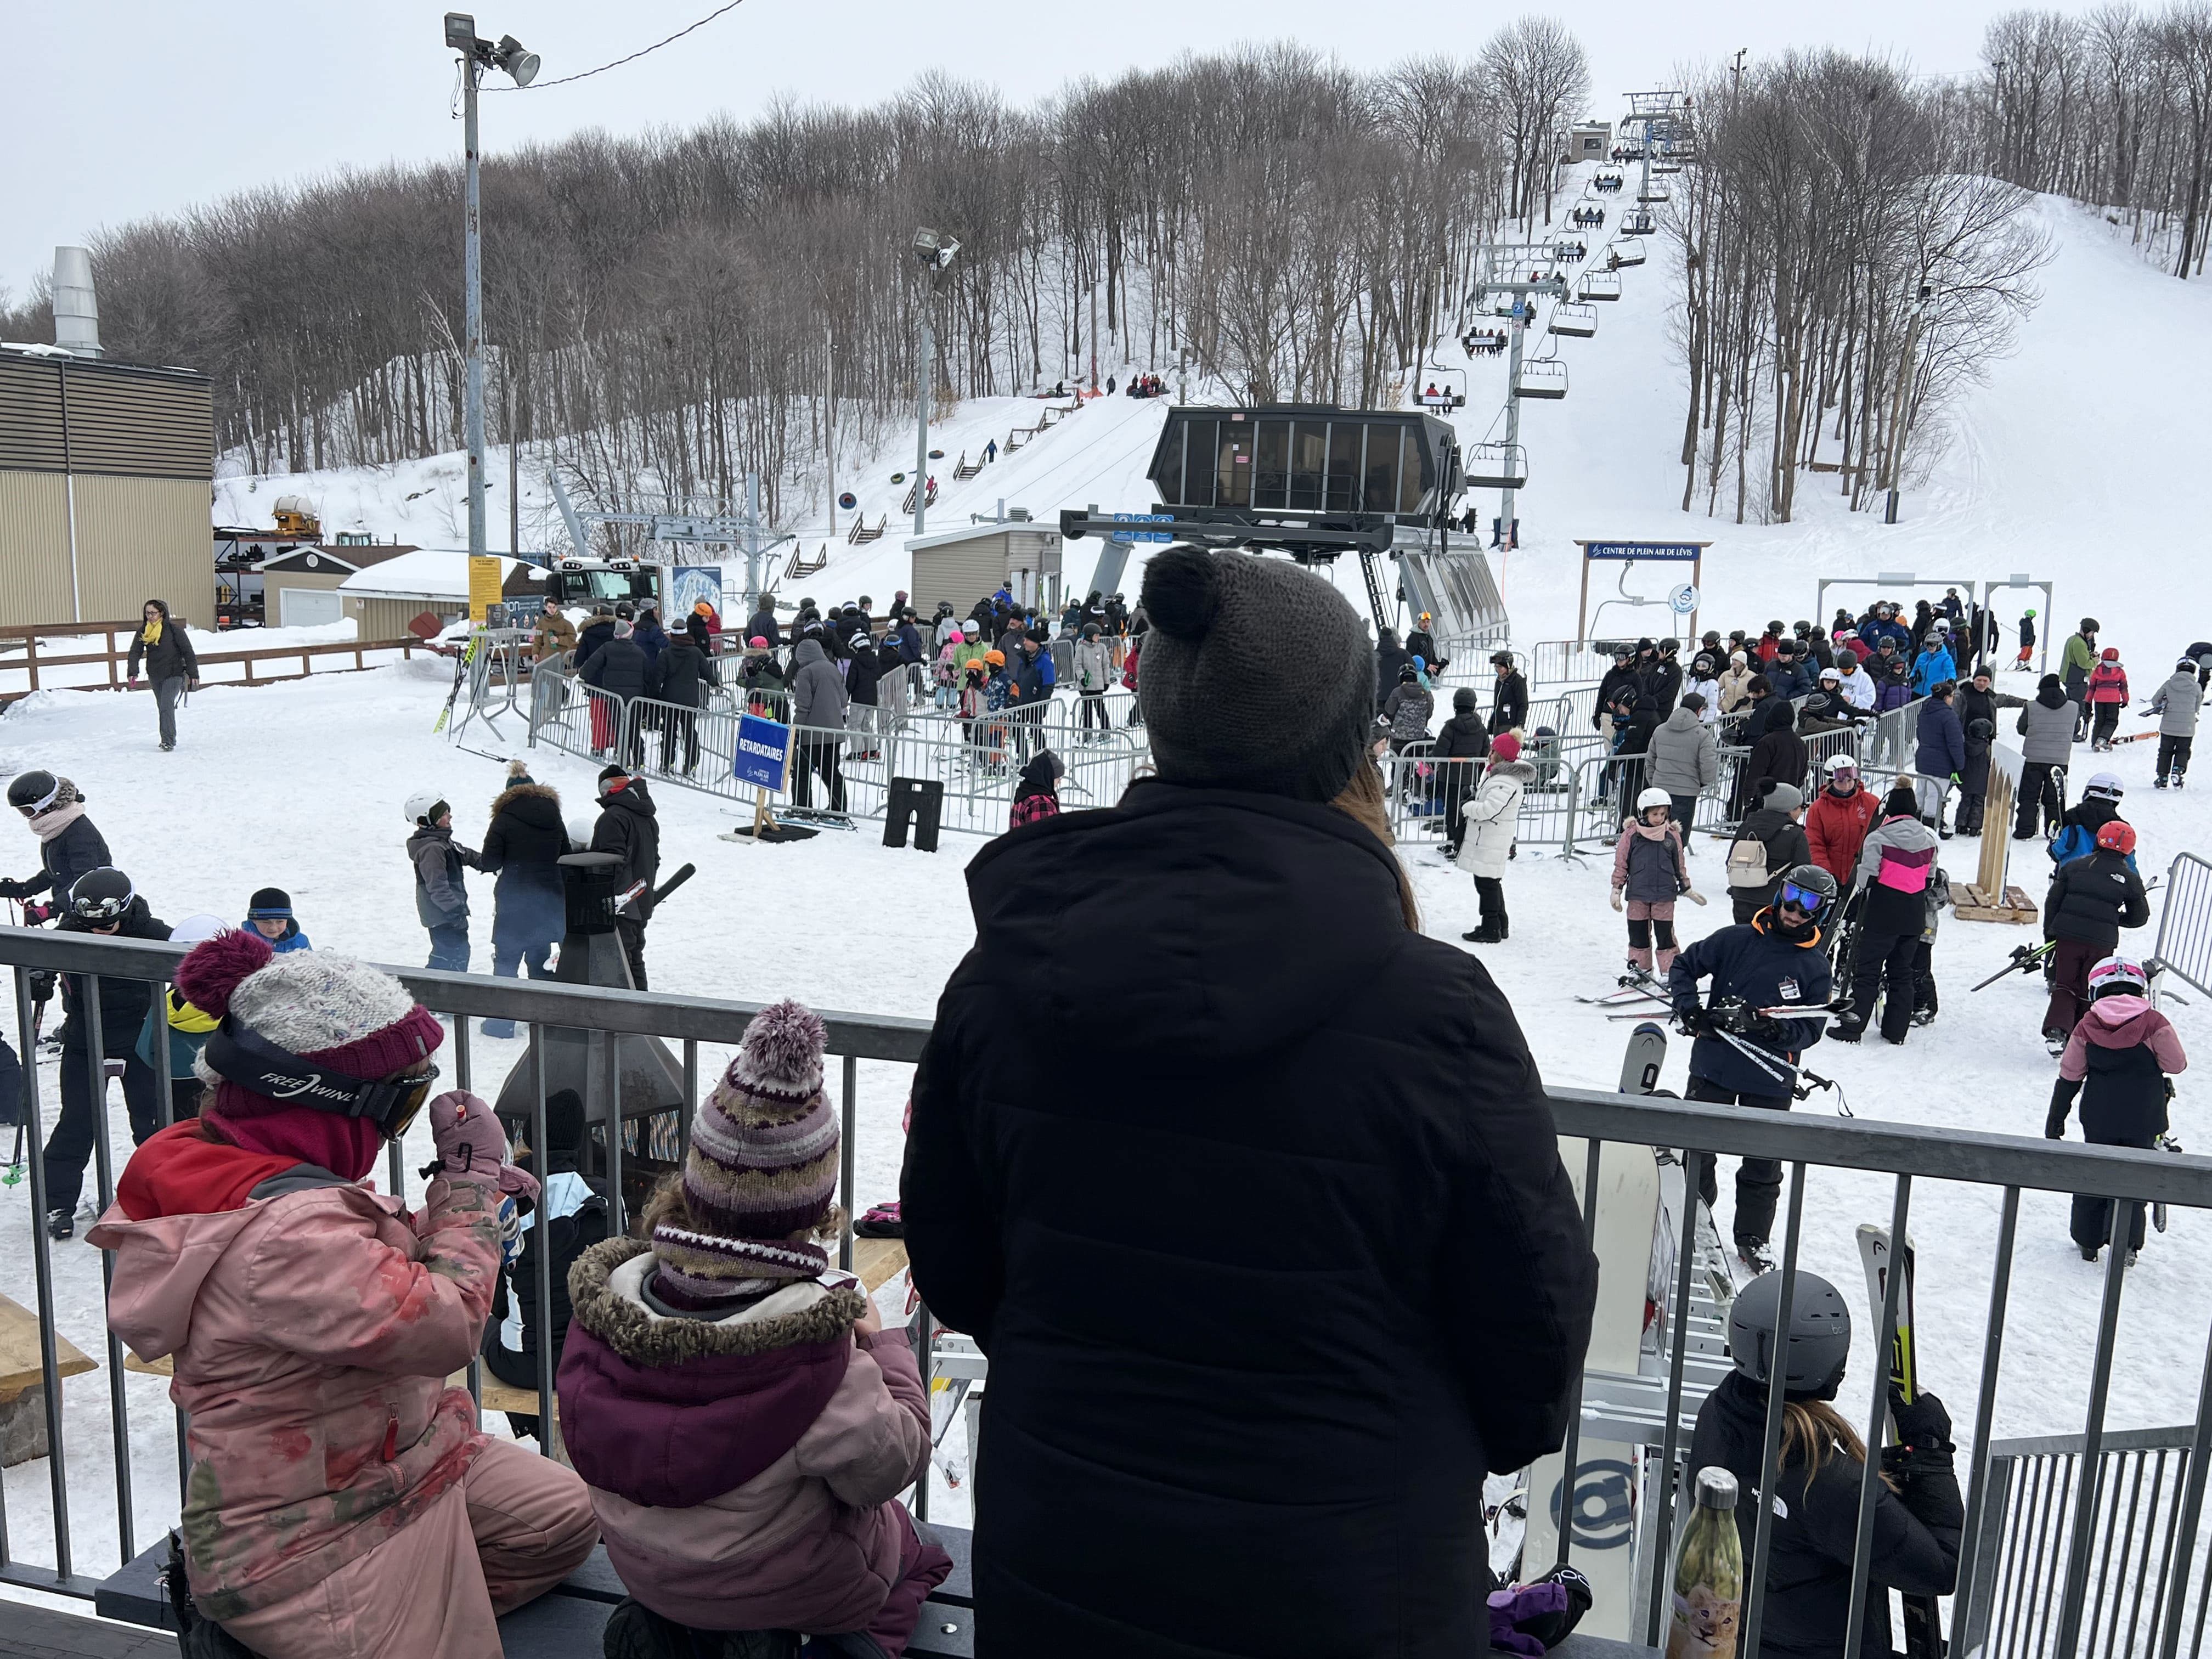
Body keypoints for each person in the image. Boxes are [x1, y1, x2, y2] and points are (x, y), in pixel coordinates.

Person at [901, 545, 1597, 1657]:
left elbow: (957, 1266)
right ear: (1347, 745)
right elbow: (1531, 1366)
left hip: (1068, 1572)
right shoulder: (1440, 1016)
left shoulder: (1009, 980)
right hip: (1352, 1591)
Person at [91, 932, 596, 1657]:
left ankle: (429, 1603)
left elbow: (349, 1276)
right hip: (304, 1535)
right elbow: (444, 1325)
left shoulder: (241, 1164)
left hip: (391, 1458)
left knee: (557, 1519)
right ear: (325, 1101)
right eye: (400, 1104)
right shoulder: (281, 1236)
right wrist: (468, 1196)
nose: (398, 1126)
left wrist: (439, 1220)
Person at [564, 1001, 950, 1655]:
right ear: (813, 1202)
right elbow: (891, 1467)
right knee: (917, 1553)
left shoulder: (610, 1309)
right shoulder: (815, 1355)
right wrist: (882, 1345)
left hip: (641, 1568)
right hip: (776, 1585)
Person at [1689, 1271, 1962, 1656]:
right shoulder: (1830, 1482)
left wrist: (1877, 1480)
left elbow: (1792, 1517)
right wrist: (1931, 1455)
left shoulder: (1718, 1416)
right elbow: (1943, 1569)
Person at [1668, 865, 1837, 1270]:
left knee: (1762, 1162)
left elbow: (1811, 1028)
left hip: (1770, 1075)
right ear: (1780, 895)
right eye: (1792, 897)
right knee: (1698, 1151)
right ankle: (1696, 1223)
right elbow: (1684, 967)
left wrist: (1777, 1032)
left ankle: (1753, 1238)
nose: (1795, 911)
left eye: (1809, 904)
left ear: (1822, 913)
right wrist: (1690, 1010)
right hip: (1715, 1064)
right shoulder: (1736, 939)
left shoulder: (1815, 967)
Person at [41, 868, 171, 1239]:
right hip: (85, 1040)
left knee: (153, 1123)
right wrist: (39, 976)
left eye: (110, 922)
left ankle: (163, 1196)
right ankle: (57, 1202)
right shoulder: (69, 934)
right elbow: (38, 957)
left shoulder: (151, 931)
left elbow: (191, 955)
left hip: (142, 1042)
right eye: (94, 923)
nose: (103, 929)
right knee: (77, 1124)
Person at [481, 1088, 606, 1442]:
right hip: (590, 1358)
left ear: (531, 1138)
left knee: (487, 1325)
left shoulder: (506, 1202)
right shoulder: (605, 1198)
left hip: (524, 1364)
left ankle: (534, 1430)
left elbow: (498, 1302)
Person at [2047, 956, 2190, 1263]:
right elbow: (2175, 1065)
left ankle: (2088, 1241)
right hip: (2145, 1117)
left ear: (2096, 990)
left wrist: (2055, 1120)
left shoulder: (2087, 1024)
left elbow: (2070, 1074)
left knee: (2093, 1176)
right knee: (2133, 1180)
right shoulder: (2154, 1023)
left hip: (2100, 1118)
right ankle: (2125, 1244)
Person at [1834, 786, 1940, 1045]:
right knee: (1902, 972)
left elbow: (1866, 878)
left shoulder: (1878, 838)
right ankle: (1896, 1031)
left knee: (1867, 972)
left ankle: (1853, 1027)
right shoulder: (1928, 841)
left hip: (1882, 913)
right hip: (1914, 915)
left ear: (1888, 810)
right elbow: (1929, 879)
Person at [477, 762, 571, 1038]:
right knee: (540, 957)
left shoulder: (503, 819)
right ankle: (544, 1019)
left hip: (515, 899)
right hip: (547, 900)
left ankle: (501, 1023)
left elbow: (490, 860)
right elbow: (565, 854)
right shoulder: (554, 817)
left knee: (506, 961)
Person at [2042, 819, 2151, 1048]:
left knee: (2065, 984)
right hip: (2101, 941)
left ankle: (2057, 1029)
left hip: (2067, 936)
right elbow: (2140, 916)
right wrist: (2115, 919)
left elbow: (2053, 901)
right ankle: (2081, 1038)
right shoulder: (2130, 878)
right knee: (2088, 987)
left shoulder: (2074, 866)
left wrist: (2051, 932)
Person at [1612, 788, 1698, 978]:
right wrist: (1616, 889)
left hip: (1664, 895)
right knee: (1638, 933)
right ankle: (1641, 969)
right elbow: (1621, 863)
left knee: (1665, 934)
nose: (1659, 818)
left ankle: (1671, 971)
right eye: (1654, 814)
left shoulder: (1671, 835)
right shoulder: (1632, 835)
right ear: (1644, 812)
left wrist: (1687, 886)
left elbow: (1679, 864)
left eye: (1663, 814)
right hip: (1638, 894)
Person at [0, 771, 112, 915]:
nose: (26, 817)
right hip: (73, 904)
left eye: (28, 811)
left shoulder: (79, 834)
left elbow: (85, 880)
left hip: (95, 909)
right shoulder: (56, 826)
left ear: (46, 804)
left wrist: (50, 910)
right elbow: (59, 872)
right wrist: (24, 889)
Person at [1459, 733, 1532, 942]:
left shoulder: (1506, 781)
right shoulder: (1496, 775)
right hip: (1490, 836)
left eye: (1493, 751)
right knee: (1490, 881)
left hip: (1492, 838)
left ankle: (1491, 927)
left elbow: (1490, 810)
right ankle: (1500, 923)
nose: (1489, 754)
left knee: (1487, 883)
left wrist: (1467, 805)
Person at [591, 765, 659, 990]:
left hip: (620, 904)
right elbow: (654, 860)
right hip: (640, 901)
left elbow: (610, 863)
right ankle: (643, 1017)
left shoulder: (614, 817)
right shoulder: (646, 817)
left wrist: (601, 894)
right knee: (634, 959)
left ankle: (625, 1018)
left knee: (619, 963)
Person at [125, 598, 202, 752]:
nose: (150, 616)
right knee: (163, 707)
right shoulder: (144, 631)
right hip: (155, 675)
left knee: (167, 705)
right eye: (147, 613)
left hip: (174, 674)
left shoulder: (174, 631)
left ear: (162, 613)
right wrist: (133, 671)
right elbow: (135, 652)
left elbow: (188, 652)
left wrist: (193, 674)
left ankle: (168, 740)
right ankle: (166, 737)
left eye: (153, 613)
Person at [646, 623, 719, 775]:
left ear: (672, 635)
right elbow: (708, 673)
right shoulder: (696, 652)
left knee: (668, 732)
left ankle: (667, 763)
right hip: (690, 699)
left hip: (669, 699)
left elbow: (657, 678)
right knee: (689, 732)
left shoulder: (665, 654)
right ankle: (691, 764)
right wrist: (715, 684)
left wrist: (654, 695)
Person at [578, 616, 651, 768]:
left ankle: (625, 762)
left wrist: (583, 677)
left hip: (614, 697)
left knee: (619, 728)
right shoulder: (639, 652)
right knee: (634, 729)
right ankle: (639, 761)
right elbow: (649, 675)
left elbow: (590, 666)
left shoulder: (607, 648)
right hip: (635, 698)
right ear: (630, 634)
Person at [786, 637, 849, 810]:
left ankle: (802, 807)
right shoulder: (834, 669)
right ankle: (838, 809)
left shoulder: (805, 673)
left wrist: (797, 730)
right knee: (831, 773)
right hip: (835, 733)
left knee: (802, 772)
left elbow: (803, 707)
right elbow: (844, 701)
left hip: (812, 734)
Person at [2014, 674, 2075, 838]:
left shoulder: (2031, 706)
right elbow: (2076, 730)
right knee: (2055, 798)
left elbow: (2021, 729)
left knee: (2028, 796)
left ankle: (2025, 830)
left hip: (2033, 758)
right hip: (2060, 759)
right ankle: (2054, 831)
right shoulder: (2073, 707)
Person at [1805, 756, 1877, 892]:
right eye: (1840, 781)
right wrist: (1827, 875)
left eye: (1850, 781)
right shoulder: (1818, 809)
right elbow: (1815, 845)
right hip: (1832, 878)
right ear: (1831, 782)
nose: (1846, 786)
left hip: (1864, 876)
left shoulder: (1870, 803)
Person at [1434, 688, 1492, 857]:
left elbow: (1440, 753)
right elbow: (1485, 753)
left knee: (1451, 811)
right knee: (1466, 811)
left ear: (1455, 705)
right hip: (1470, 779)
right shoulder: (1481, 729)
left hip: (1449, 777)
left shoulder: (1450, 727)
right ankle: (1459, 843)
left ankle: (1454, 843)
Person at [1647, 693, 1718, 832]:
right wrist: (1702, 782)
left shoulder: (1660, 730)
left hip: (1660, 788)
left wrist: (1654, 781)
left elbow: (1650, 760)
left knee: (1656, 834)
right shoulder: (1703, 735)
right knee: (1678, 838)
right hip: (1686, 791)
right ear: (1699, 711)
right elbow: (1708, 765)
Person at [2049, 772, 2131, 870]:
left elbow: (2062, 848)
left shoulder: (2073, 817)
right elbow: (2129, 860)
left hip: (2071, 877)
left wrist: (2052, 848)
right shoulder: (2121, 829)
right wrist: (2134, 881)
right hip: (2108, 880)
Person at [1914, 679, 1966, 834]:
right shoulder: (1948, 716)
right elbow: (1955, 743)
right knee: (1934, 796)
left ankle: (1916, 824)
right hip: (1941, 762)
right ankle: (1929, 829)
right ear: (1946, 698)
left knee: (1921, 792)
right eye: (1952, 696)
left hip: (1923, 758)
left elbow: (1919, 733)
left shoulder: (1925, 711)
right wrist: (1960, 765)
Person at [1743, 699, 1809, 820]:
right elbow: (1802, 774)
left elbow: (1755, 772)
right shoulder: (1800, 743)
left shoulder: (1767, 742)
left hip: (1765, 801)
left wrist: (1749, 798)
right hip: (1788, 802)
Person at [2151, 655, 2201, 787]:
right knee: (2183, 750)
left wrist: (2165, 703)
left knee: (2165, 751)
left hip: (2168, 725)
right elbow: (2197, 706)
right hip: (2188, 727)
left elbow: (2155, 701)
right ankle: (2177, 770)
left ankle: (2162, 778)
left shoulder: (2169, 684)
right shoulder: (2197, 687)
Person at [1073, 622, 1115, 734]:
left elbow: (1106, 665)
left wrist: (1106, 682)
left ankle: (1106, 731)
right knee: (1087, 711)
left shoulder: (1101, 648)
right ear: (1089, 636)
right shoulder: (1081, 648)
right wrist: (1082, 677)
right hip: (1086, 686)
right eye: (1096, 635)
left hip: (1098, 685)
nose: (1098, 637)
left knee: (1101, 709)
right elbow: (1077, 665)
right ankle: (1088, 732)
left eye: (1099, 635)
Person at [2086, 647, 2130, 751]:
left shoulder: (2097, 670)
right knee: (2112, 721)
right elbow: (2124, 687)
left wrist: (2088, 701)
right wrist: (2125, 700)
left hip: (2099, 699)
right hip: (2113, 700)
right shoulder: (2120, 671)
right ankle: (2103, 739)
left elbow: (2091, 687)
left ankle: (2094, 743)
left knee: (2099, 721)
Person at [242, 887, 312, 953]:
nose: (273, 928)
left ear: (287, 920)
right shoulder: (243, 943)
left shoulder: (300, 942)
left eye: (280, 922)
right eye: (266, 922)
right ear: (254, 920)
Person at [1383, 661, 1434, 752]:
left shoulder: (1397, 692)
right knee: (1415, 764)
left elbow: (1389, 710)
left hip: (1398, 738)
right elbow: (1429, 713)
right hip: (1418, 738)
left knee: (1397, 764)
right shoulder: (1426, 694)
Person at [2063, 617, 2101, 737]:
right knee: (2078, 707)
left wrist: (2089, 656)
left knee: (2071, 705)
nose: (2092, 636)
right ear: (2087, 630)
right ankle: (2074, 731)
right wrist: (2095, 661)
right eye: (2092, 633)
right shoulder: (2080, 643)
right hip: (2077, 679)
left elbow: (2078, 658)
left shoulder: (2073, 640)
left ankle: (2070, 730)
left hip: (2070, 677)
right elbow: (2083, 664)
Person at [1011, 749, 1064, 827]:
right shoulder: (1040, 804)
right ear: (1047, 777)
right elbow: (1045, 837)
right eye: (1058, 777)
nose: (1059, 781)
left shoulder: (1023, 794)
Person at [1489, 651, 1530, 734]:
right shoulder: (1500, 680)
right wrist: (1492, 723)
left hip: (1510, 726)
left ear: (1508, 666)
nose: (1498, 670)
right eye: (1496, 667)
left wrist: (1519, 726)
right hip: (1498, 724)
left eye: (1500, 667)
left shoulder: (1517, 680)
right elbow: (1497, 704)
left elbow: (1523, 704)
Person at [531, 596, 578, 664]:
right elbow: (538, 641)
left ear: (557, 607)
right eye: (550, 607)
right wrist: (535, 653)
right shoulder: (541, 623)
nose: (552, 610)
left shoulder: (565, 623)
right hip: (547, 659)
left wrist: (559, 640)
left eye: (554, 607)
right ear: (546, 607)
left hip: (561, 660)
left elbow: (572, 638)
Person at [2015, 607, 2038, 671]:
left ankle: (2026, 664)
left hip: (2030, 642)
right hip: (2026, 642)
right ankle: (2020, 664)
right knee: (2024, 653)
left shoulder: (2029, 622)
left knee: (2029, 653)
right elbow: (2025, 633)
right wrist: (2028, 639)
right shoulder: (2026, 623)